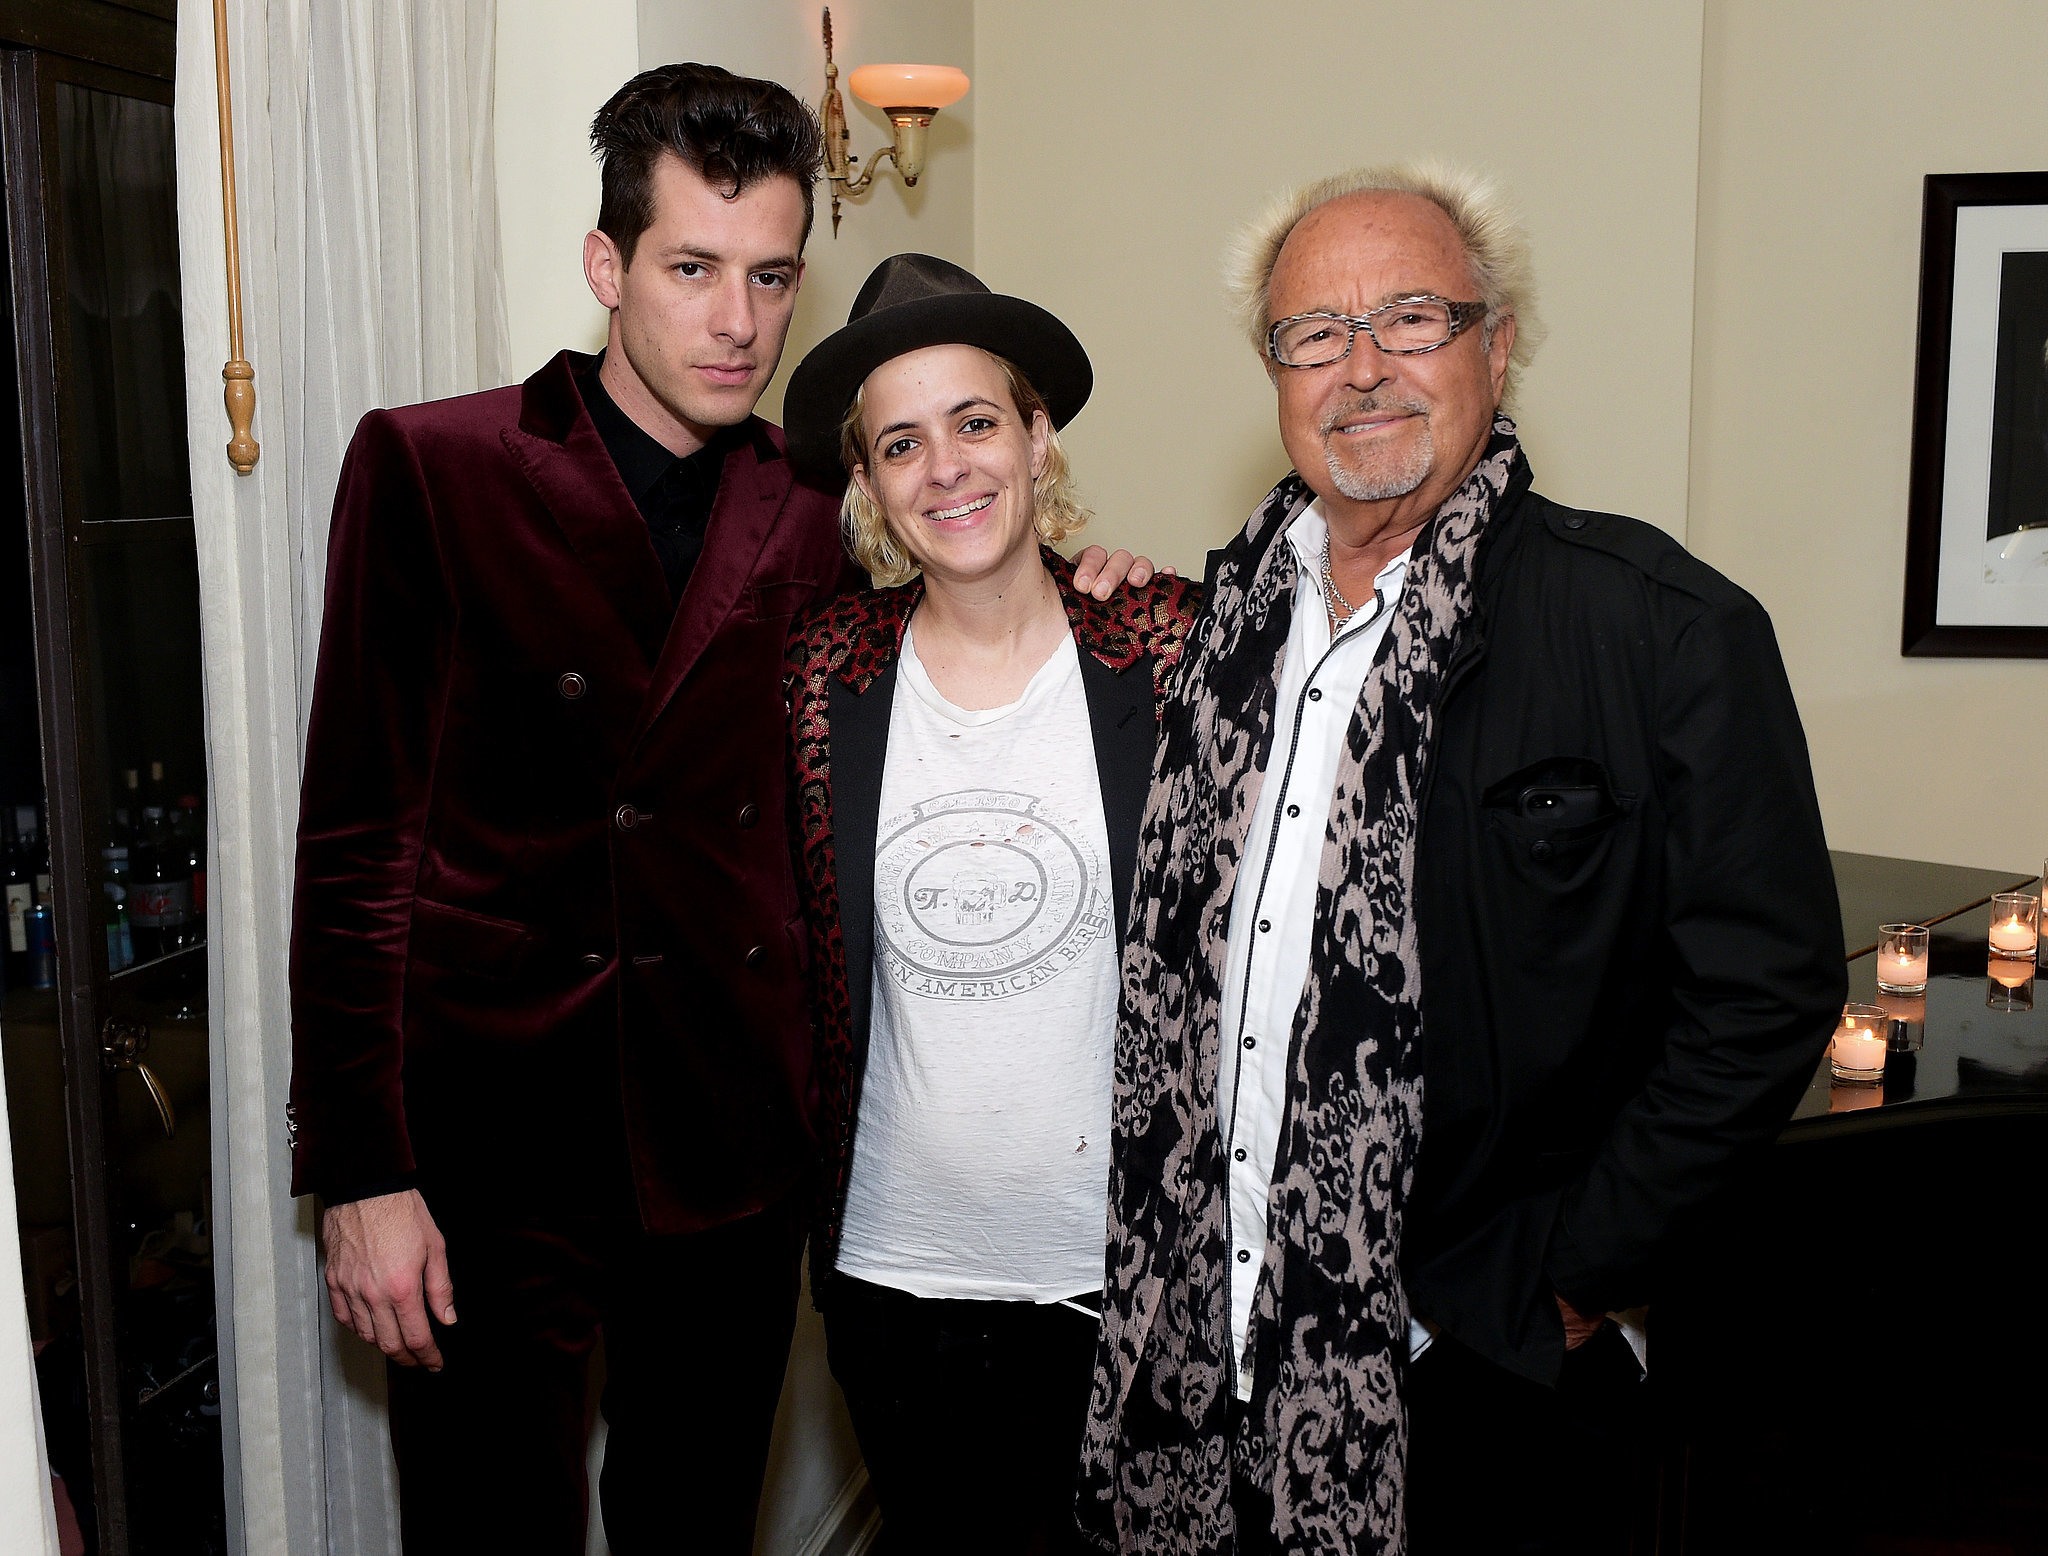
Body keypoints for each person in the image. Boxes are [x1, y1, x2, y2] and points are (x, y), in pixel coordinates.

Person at [288, 67, 1150, 1554]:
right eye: (692, 270)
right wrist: (364, 1170)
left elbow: (970, 587)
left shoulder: (821, 504)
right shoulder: (438, 467)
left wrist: (1097, 592)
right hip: (492, 1151)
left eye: (769, 276)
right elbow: (358, 845)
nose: (737, 321)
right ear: (606, 265)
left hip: (731, 1152)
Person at [1079, 163, 1846, 1556]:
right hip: (1204, 1338)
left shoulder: (1661, 628)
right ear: (1276, 375)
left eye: (1412, 318)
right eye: (1316, 333)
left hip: (1483, 1359)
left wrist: (1580, 1272)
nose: (1363, 367)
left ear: (1499, 347)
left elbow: (1765, 992)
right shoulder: (1214, 629)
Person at [776, 254, 1201, 1555]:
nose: (946, 469)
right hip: (893, 1278)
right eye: (901, 443)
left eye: (975, 423)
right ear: (866, 483)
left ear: (1037, 435)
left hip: (1121, 1276)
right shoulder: (822, 673)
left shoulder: (1166, 646)